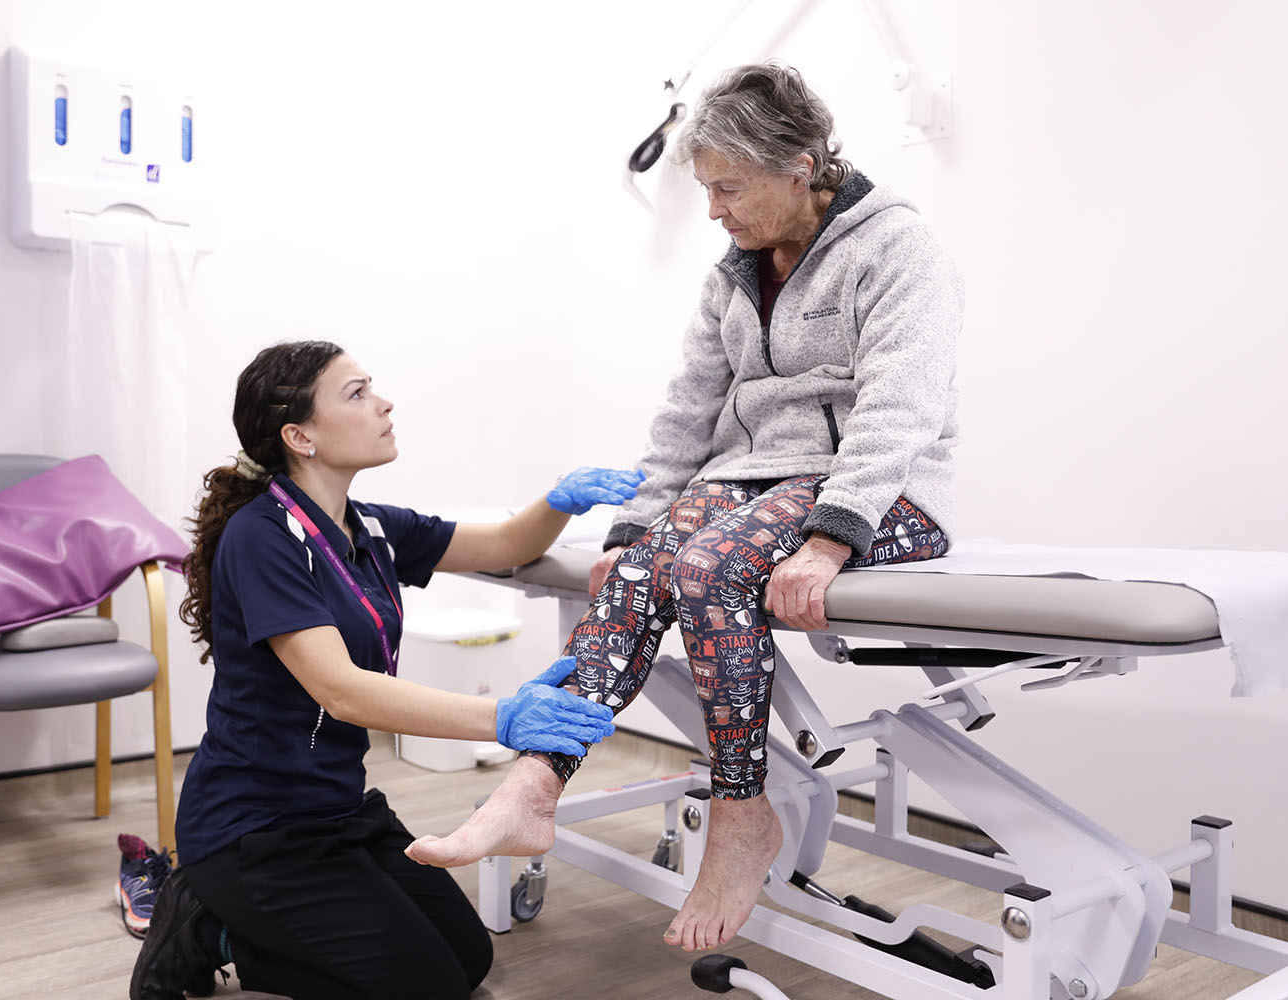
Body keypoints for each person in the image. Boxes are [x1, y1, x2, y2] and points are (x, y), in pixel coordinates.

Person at [405, 61, 962, 955]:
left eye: (728, 188)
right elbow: (686, 414)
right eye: (705, 189)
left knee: (706, 568)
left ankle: (742, 815)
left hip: (879, 490)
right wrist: (635, 531)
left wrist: (827, 542)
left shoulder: (898, 248)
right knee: (636, 571)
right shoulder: (733, 274)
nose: (713, 211)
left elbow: (902, 407)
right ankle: (537, 784)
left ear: (802, 165)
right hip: (751, 486)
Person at [129, 340, 640, 1000]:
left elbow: (506, 544)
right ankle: (204, 927)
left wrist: (560, 502)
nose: (384, 402)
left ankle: (228, 940)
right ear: (300, 436)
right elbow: (339, 691)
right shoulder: (263, 537)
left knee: (466, 958)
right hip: (254, 829)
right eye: (358, 393)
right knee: (425, 985)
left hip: (340, 810)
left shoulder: (368, 526)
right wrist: (503, 718)